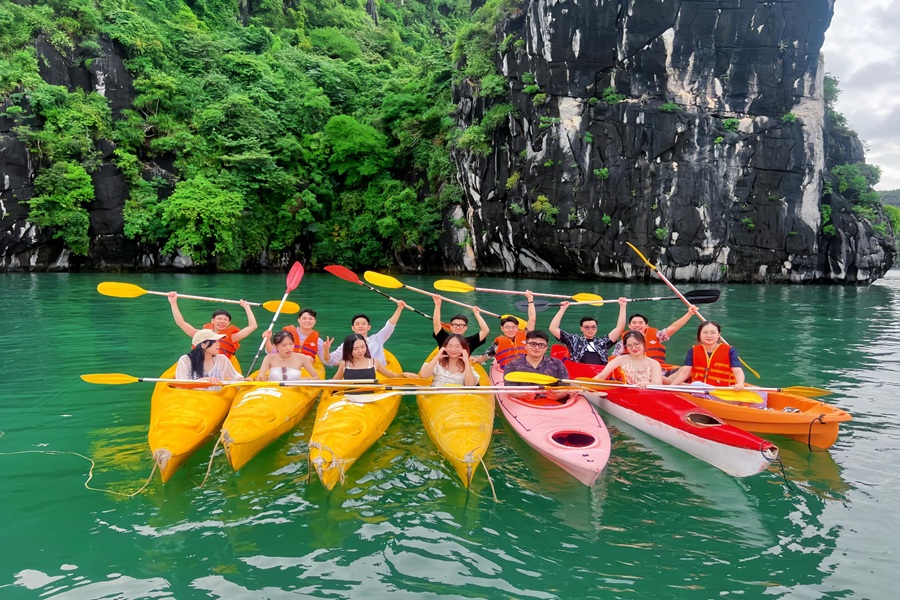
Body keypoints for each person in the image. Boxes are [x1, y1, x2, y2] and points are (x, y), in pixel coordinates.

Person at [168, 292, 258, 359]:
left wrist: (247, 307)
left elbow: (252, 326)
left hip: (220, 365)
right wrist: (173, 302)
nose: (222, 321)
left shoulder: (233, 337)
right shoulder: (202, 335)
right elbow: (181, 323)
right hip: (200, 362)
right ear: (213, 321)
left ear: (228, 323)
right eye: (219, 319)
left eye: (225, 320)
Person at [668, 321, 746, 390]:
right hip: (697, 389)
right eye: (705, 332)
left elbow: (738, 371)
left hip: (722, 391)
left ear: (719, 335)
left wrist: (740, 383)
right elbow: (685, 372)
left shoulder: (730, 351)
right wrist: (672, 386)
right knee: (695, 384)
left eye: (713, 332)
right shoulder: (693, 350)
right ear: (700, 335)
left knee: (696, 384)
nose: (709, 336)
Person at [549, 297, 628, 365]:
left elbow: (619, 328)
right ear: (581, 328)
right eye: (587, 327)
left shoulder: (603, 342)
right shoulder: (573, 340)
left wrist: (623, 306)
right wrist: (562, 309)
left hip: (599, 373)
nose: (590, 330)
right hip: (579, 372)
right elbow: (553, 328)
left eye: (593, 327)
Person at [326, 301, 407, 367]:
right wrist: (326, 350)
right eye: (357, 324)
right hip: (360, 374)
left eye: (364, 324)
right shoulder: (347, 344)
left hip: (381, 374)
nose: (360, 326)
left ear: (369, 327)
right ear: (353, 328)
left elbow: (390, 325)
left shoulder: (377, 339)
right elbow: (330, 360)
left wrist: (399, 308)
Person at [612, 305, 699, 365]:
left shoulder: (656, 335)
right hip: (635, 370)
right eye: (634, 323)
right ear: (629, 326)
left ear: (646, 325)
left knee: (682, 371)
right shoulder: (623, 342)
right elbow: (614, 359)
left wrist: (689, 313)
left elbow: (673, 328)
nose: (637, 325)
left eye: (641, 323)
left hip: (659, 369)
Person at [472, 290, 537, 369]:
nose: (511, 330)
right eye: (507, 327)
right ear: (502, 329)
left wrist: (530, 299)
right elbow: (482, 358)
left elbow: (532, 319)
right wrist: (476, 314)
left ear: (517, 328)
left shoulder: (526, 335)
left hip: (527, 370)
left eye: (513, 327)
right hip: (509, 372)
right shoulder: (497, 345)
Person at [503, 330, 569, 401]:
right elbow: (510, 389)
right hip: (523, 402)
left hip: (551, 402)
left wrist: (558, 396)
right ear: (525, 346)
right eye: (533, 344)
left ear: (546, 348)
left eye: (541, 345)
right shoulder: (512, 365)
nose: (537, 347)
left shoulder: (557, 363)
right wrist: (522, 395)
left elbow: (565, 387)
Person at [174, 330, 243, 390]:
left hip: (215, 398)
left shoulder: (222, 359)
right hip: (192, 397)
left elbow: (235, 378)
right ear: (203, 345)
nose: (219, 344)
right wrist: (202, 382)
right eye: (215, 341)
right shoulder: (185, 360)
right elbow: (181, 386)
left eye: (218, 341)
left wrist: (244, 381)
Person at [592, 331, 663, 388]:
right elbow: (601, 376)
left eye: (637, 344)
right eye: (629, 345)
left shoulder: (654, 363)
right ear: (626, 347)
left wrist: (647, 384)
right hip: (626, 395)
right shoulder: (620, 360)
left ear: (643, 343)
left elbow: (657, 385)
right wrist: (586, 386)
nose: (634, 348)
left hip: (648, 395)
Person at [264, 307, 333, 364]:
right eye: (304, 318)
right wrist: (267, 340)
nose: (307, 321)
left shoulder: (318, 341)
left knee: (308, 358)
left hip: (305, 369)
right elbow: (272, 352)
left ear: (314, 321)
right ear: (299, 320)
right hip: (286, 363)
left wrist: (326, 350)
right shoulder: (286, 335)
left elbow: (326, 361)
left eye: (310, 319)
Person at [333, 334, 405, 380]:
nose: (360, 351)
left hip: (370, 397)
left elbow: (391, 376)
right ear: (348, 349)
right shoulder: (344, 364)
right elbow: (334, 382)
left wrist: (403, 375)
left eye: (363, 347)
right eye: (355, 349)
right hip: (349, 397)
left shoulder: (374, 362)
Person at [256, 331, 321, 382]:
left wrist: (302, 380)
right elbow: (260, 378)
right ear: (275, 347)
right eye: (284, 345)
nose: (288, 348)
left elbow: (317, 378)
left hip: (294, 390)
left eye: (291, 344)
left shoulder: (302, 358)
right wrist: (257, 379)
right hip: (274, 389)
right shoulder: (269, 358)